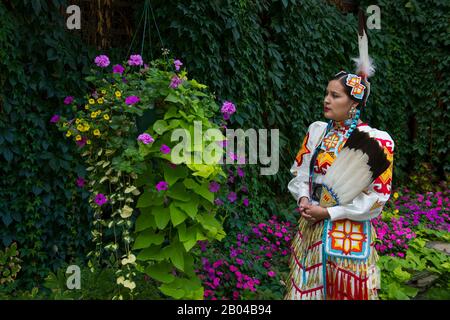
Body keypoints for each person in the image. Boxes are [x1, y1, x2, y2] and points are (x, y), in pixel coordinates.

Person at [283, 58, 395, 299]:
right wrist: (303, 197)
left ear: (353, 103)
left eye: (335, 95)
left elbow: (378, 197)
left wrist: (331, 213)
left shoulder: (376, 141)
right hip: (311, 230)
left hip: (348, 235)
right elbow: (300, 172)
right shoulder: (317, 132)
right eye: (327, 93)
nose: (327, 100)